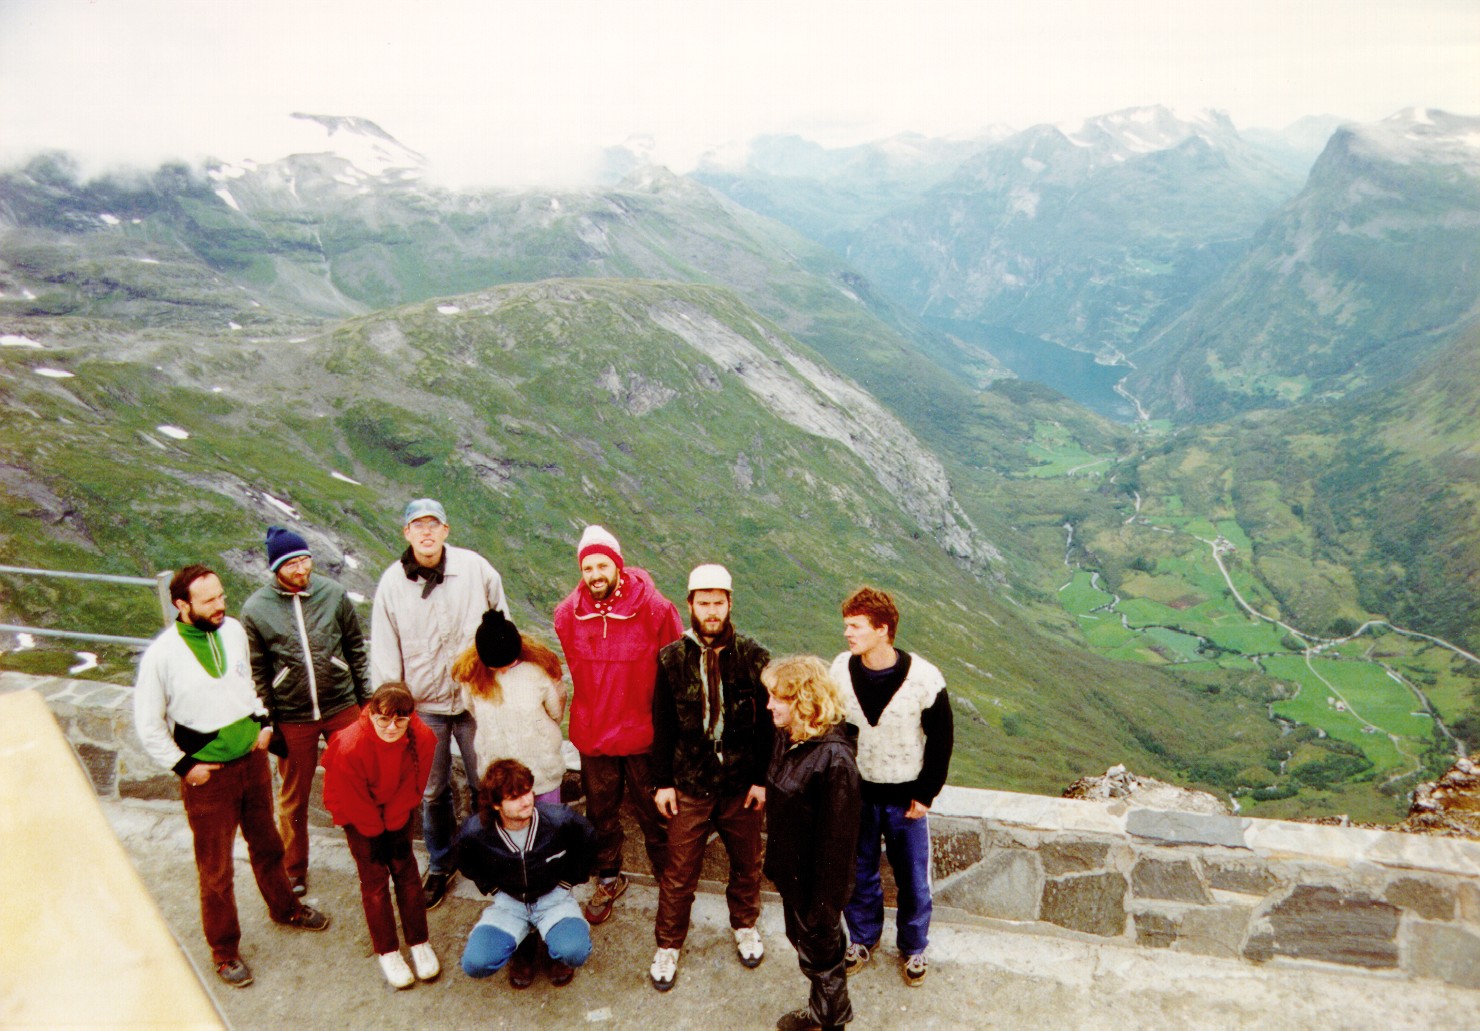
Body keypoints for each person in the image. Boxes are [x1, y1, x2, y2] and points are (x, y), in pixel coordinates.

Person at [133, 564, 330, 989]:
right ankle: (224, 951)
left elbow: (247, 684)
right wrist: (186, 767)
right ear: (182, 605)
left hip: (252, 761)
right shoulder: (162, 656)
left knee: (268, 844)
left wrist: (262, 721)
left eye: (222, 596)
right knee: (216, 868)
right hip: (210, 777)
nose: (221, 605)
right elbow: (148, 723)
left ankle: (285, 909)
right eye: (209, 601)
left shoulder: (233, 631)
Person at [370, 498, 509, 909]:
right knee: (431, 790)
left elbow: (501, 622)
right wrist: (392, 704)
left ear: (446, 530)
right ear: (407, 533)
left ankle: (490, 857)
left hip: (474, 697)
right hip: (424, 702)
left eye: (434, 524)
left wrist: (500, 677)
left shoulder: (475, 569)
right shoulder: (392, 584)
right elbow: (384, 646)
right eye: (418, 525)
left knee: (486, 781)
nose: (426, 532)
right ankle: (442, 862)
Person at [647, 564, 772, 991]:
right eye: (704, 603)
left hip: (741, 785)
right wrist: (661, 783)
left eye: (719, 602)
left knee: (746, 862)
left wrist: (761, 780)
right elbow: (661, 726)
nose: (712, 611)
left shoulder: (755, 657)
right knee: (679, 871)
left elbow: (768, 728)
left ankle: (745, 925)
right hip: (689, 785)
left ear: (730, 603)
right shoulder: (670, 659)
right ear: (691, 605)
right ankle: (668, 945)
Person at [552, 524, 681, 924]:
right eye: (588, 567)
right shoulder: (567, 615)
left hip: (645, 735)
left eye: (602, 565)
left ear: (618, 566)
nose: (595, 575)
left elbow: (675, 671)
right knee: (601, 814)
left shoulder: (656, 609)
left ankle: (670, 885)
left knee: (655, 816)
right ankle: (609, 877)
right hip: (594, 735)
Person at [831, 586, 954, 988]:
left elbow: (941, 739)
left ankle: (914, 946)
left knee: (913, 878)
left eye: (856, 626)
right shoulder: (839, 669)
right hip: (858, 794)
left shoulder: (924, 677)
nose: (847, 633)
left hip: (905, 799)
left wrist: (926, 794)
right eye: (847, 624)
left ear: (883, 629)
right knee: (858, 872)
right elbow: (832, 725)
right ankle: (863, 939)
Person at [240, 524, 370, 897]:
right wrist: (268, 719)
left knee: (356, 784)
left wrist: (364, 701)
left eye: (305, 559)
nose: (302, 569)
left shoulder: (332, 594)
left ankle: (367, 858)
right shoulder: (255, 609)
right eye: (292, 563)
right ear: (275, 568)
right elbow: (258, 669)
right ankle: (293, 868)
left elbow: (355, 649)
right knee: (293, 797)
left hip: (341, 705)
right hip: (292, 715)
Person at [763, 655, 861, 1031]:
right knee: (812, 950)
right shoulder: (789, 737)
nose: (769, 705)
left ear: (804, 700)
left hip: (817, 888)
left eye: (778, 698)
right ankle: (823, 1012)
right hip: (794, 876)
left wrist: (825, 903)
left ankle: (830, 1022)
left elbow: (838, 843)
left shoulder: (835, 761)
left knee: (824, 958)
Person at [321, 682, 441, 989]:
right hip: (357, 811)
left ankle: (419, 941)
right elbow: (352, 796)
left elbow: (415, 785)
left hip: (396, 806)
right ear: (371, 714)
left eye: (400, 720)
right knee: (374, 879)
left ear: (411, 717)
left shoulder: (424, 738)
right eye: (383, 719)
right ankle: (387, 950)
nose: (391, 727)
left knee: (406, 870)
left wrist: (393, 821)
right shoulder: (350, 744)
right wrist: (376, 831)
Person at [456, 759, 598, 989]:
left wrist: (568, 881)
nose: (526, 801)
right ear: (495, 805)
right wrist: (490, 887)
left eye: (527, 792)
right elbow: (462, 857)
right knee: (476, 964)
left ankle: (555, 953)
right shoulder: (476, 831)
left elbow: (589, 842)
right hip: (509, 903)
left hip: (553, 899)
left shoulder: (559, 819)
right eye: (514, 797)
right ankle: (523, 949)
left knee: (574, 951)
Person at [452, 608, 568, 805]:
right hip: (498, 777)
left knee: (548, 826)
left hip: (541, 773)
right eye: (496, 666)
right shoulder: (472, 678)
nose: (504, 670)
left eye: (508, 662)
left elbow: (555, 712)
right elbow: (474, 711)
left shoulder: (538, 671)